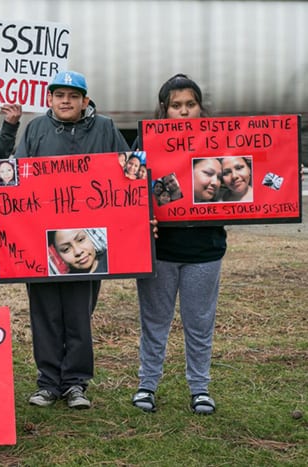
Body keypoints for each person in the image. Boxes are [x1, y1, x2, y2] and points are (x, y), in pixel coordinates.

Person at [14, 70, 130, 409]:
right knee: (45, 312)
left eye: (73, 95)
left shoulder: (106, 128)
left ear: (85, 100)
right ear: (49, 99)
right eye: (59, 95)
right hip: (42, 239)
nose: (66, 101)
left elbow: (128, 172)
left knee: (79, 313)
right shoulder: (35, 129)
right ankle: (48, 382)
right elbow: (18, 180)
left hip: (86, 238)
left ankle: (76, 383)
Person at [133, 73, 225, 415]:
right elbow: (127, 190)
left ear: (201, 108)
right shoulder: (144, 143)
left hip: (205, 249)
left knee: (199, 323)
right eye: (176, 106)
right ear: (164, 110)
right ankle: (147, 384)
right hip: (159, 250)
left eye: (190, 105)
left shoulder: (222, 143)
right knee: (154, 322)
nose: (183, 112)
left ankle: (200, 388)